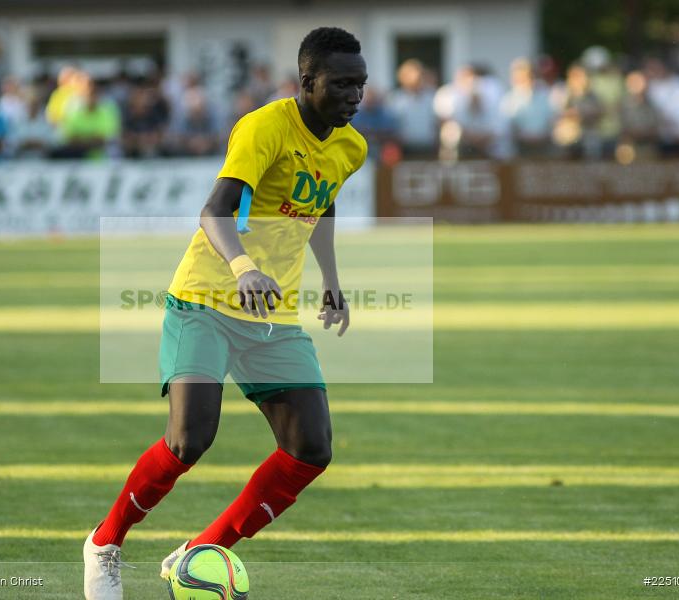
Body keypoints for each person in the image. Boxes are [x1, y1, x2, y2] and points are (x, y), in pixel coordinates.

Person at [83, 26, 368, 600]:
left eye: (360, 85)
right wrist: (244, 268)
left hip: (271, 313)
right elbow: (215, 211)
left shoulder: (350, 146)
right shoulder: (264, 127)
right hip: (207, 299)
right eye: (341, 85)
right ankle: (105, 543)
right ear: (306, 82)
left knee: (311, 447)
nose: (354, 97)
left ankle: (198, 553)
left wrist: (332, 281)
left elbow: (322, 202)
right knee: (190, 439)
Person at [386, 59, 438, 159]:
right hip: (404, 149)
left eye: (419, 75)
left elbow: (436, 122)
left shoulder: (432, 96)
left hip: (429, 148)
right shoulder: (396, 98)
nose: (416, 79)